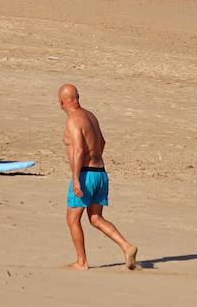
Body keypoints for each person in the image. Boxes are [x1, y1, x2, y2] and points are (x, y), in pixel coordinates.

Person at [58, 83, 138, 271]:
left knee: (72, 219)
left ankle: (81, 262)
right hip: (100, 173)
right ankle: (127, 247)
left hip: (85, 175)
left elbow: (78, 150)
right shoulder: (90, 116)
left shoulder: (74, 120)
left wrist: (77, 178)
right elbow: (101, 142)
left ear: (62, 102)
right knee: (95, 218)